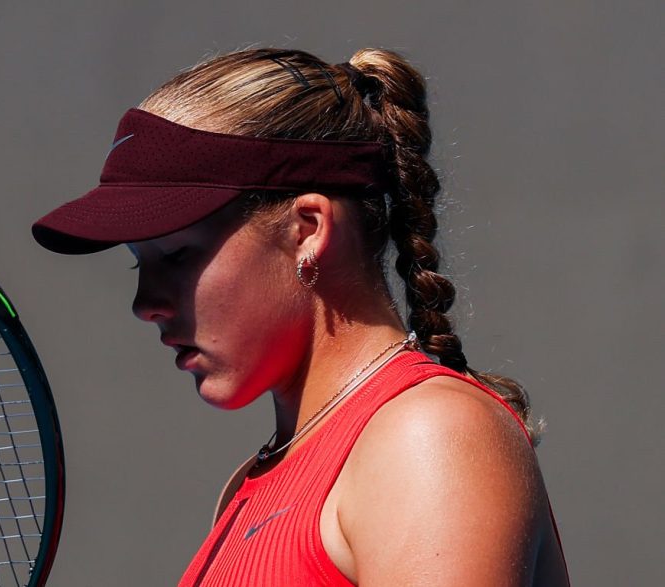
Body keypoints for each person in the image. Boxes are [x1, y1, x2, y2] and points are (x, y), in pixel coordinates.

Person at [33, 47, 569, 586]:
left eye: (176, 254)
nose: (144, 302)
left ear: (308, 228)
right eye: (138, 264)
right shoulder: (253, 484)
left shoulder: (427, 436)